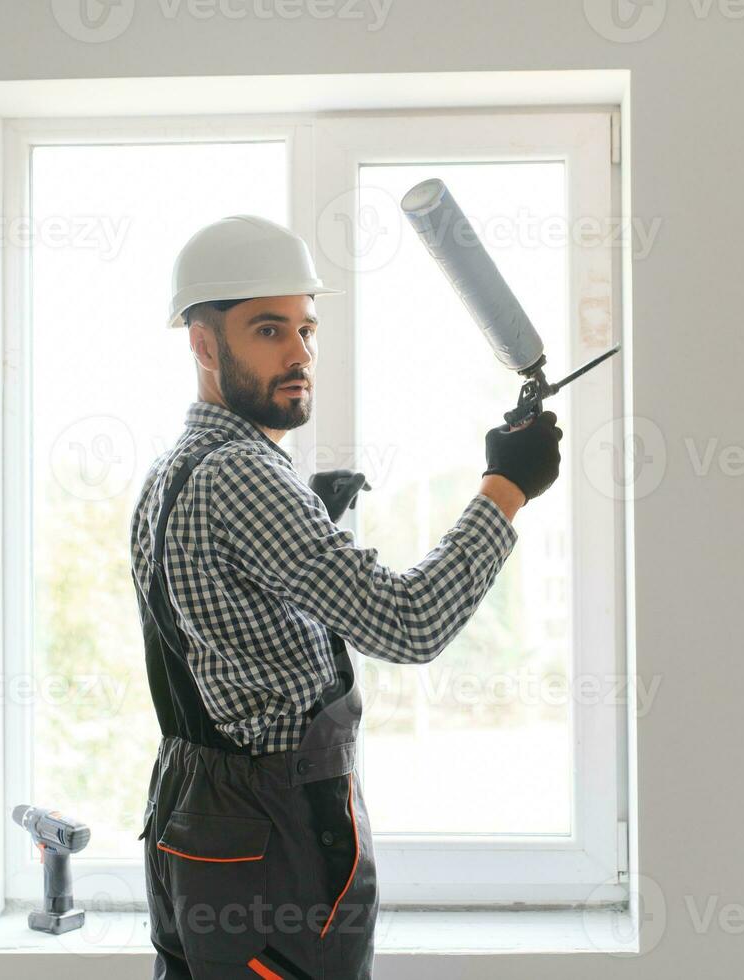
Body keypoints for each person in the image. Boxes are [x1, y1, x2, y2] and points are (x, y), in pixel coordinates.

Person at [130, 214, 562, 979]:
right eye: (268, 330)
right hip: (271, 830)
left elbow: (213, 628)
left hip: (195, 820)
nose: (299, 353)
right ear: (202, 344)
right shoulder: (243, 474)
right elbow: (409, 624)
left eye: (305, 328)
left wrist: (308, 524)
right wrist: (506, 487)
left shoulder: (175, 469)